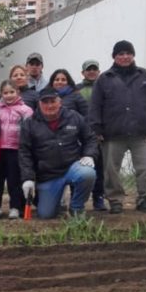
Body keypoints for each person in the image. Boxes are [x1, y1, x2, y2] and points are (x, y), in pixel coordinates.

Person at [88, 40, 146, 214]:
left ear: (133, 55)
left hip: (143, 133)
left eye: (128, 53)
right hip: (112, 134)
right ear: (114, 57)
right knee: (111, 171)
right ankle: (115, 201)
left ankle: (145, 200)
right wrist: (97, 129)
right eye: (120, 54)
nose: (125, 57)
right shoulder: (104, 79)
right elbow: (95, 106)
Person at [19, 88, 98, 219]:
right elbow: (24, 152)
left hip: (72, 167)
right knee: (46, 214)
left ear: (59, 102)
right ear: (39, 104)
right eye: (45, 102)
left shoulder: (74, 117)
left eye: (53, 101)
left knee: (88, 173)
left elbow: (90, 138)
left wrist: (89, 154)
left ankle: (77, 208)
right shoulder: (29, 123)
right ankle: (56, 202)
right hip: (48, 174)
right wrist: (28, 178)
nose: (49, 105)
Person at [0, 80, 33, 219]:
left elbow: (30, 130)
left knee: (13, 180)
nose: (9, 95)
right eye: (5, 92)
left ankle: (15, 207)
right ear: (1, 94)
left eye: (12, 92)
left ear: (18, 92)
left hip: (15, 149)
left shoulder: (26, 110)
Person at [77, 59, 106, 211]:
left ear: (99, 71)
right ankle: (78, 200)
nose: (92, 72)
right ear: (83, 73)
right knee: (82, 167)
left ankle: (98, 198)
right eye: (89, 69)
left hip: (100, 135)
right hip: (82, 135)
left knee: (100, 168)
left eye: (94, 69)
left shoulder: (105, 87)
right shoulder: (76, 89)